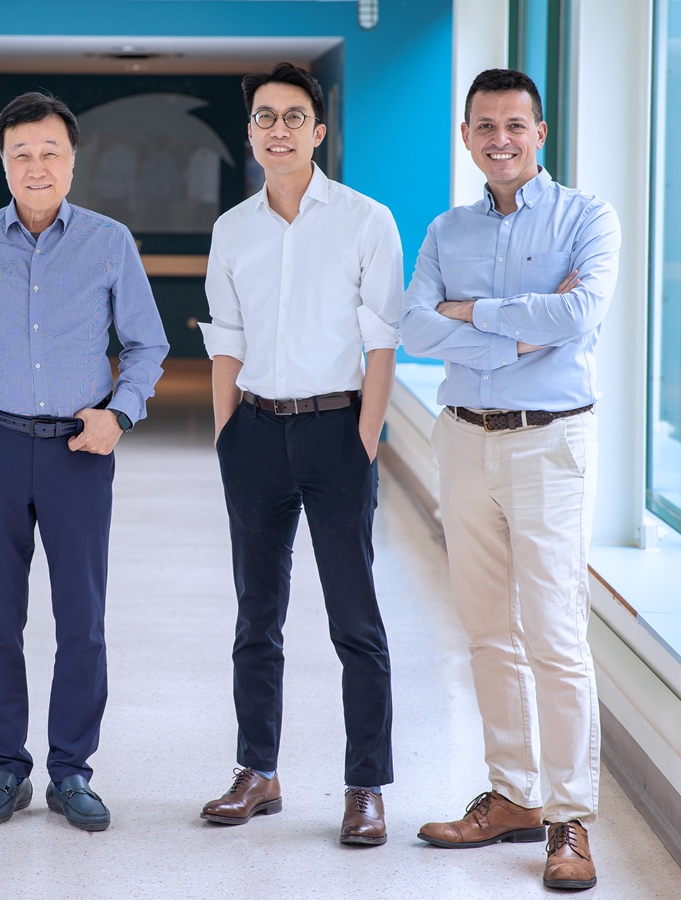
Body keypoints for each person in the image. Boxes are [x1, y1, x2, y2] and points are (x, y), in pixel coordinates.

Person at [0, 92, 168, 832]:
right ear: (4, 161)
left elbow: (148, 346)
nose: (36, 166)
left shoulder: (109, 242)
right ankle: (5, 766)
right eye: (21, 153)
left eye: (49, 152)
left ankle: (72, 771)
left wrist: (120, 415)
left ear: (71, 159)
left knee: (81, 620)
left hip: (77, 452)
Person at [401, 68, 620, 892]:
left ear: (540, 132)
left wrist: (475, 316)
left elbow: (580, 315)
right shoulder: (445, 229)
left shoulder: (588, 217)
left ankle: (570, 819)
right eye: (485, 127)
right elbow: (417, 325)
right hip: (463, 440)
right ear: (466, 136)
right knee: (488, 631)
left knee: (556, 636)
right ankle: (514, 797)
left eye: (515, 126)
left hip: (550, 444)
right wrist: (522, 329)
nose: (500, 140)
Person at [198, 62, 401, 845]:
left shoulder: (364, 220)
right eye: (264, 118)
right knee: (257, 616)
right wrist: (227, 436)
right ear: (249, 133)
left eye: (293, 117)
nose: (277, 129)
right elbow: (226, 342)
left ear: (318, 131)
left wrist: (364, 440)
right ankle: (259, 771)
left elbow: (381, 341)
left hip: (336, 434)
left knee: (356, 622)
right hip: (254, 433)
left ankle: (366, 786)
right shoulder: (233, 230)